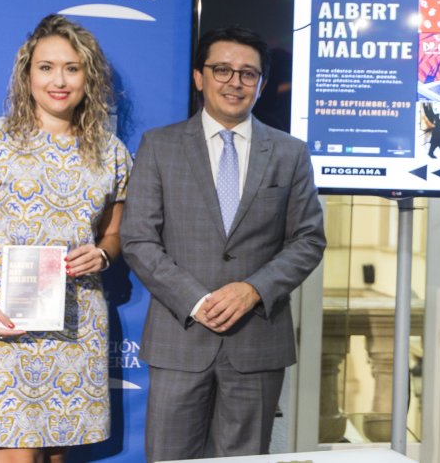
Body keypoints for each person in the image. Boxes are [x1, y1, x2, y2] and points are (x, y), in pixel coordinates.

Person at [121, 26, 326, 461]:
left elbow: (308, 240)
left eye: (248, 74)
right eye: (222, 70)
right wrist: (196, 300)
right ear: (200, 77)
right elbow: (138, 239)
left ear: (261, 85)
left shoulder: (290, 153)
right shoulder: (159, 146)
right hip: (181, 337)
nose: (235, 82)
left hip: (256, 341)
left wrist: (253, 290)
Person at [0, 14, 130, 463]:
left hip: (74, 326)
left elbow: (115, 233)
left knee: (55, 458)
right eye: (46, 67)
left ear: (88, 78)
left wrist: (102, 254)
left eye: (72, 68)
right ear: (27, 75)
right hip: (0, 321)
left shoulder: (111, 152)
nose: (58, 80)